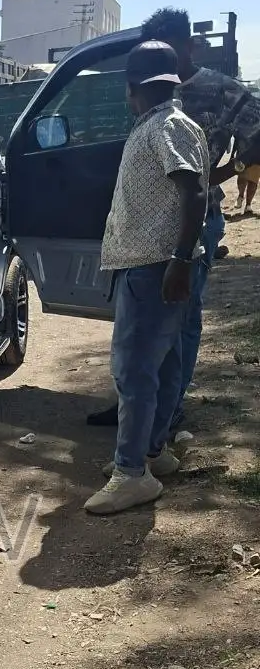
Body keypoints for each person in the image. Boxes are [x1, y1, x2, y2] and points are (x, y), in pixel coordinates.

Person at [86, 7, 260, 432]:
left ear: (190, 46)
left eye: (174, 49)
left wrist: (225, 173)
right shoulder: (151, 91)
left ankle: (166, 413)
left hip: (195, 221)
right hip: (148, 230)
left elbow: (253, 143)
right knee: (144, 328)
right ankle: (139, 408)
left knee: (180, 322)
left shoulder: (224, 91)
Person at [85, 40, 209, 516]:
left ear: (132, 87)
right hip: (159, 264)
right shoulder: (166, 124)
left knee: (134, 369)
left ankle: (131, 473)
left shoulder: (167, 126)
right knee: (164, 363)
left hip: (155, 266)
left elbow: (194, 192)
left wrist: (179, 260)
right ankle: (153, 454)